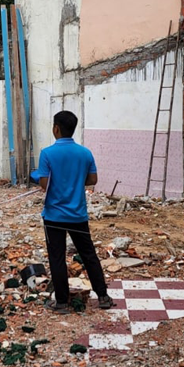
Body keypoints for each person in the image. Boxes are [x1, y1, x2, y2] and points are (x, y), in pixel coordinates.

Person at [35, 110, 113, 314]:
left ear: (56, 128)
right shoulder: (85, 153)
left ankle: (61, 302)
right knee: (89, 254)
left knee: (57, 257)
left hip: (53, 216)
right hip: (78, 214)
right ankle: (103, 296)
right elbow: (93, 180)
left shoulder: (47, 153)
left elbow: (44, 184)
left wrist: (38, 176)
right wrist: (76, 180)